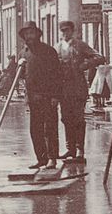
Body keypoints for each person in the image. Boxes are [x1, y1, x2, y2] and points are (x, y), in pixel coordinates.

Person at [57, 21, 105, 165]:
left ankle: (79, 150)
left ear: (73, 31)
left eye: (67, 30)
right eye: (62, 31)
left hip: (78, 88)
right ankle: (69, 148)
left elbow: (99, 57)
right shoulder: (57, 48)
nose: (65, 33)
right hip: (63, 89)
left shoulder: (80, 45)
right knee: (66, 118)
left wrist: (84, 65)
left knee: (78, 119)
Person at [18, 23, 62, 171]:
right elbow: (21, 75)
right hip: (32, 97)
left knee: (49, 129)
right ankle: (41, 159)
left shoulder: (49, 51)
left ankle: (52, 158)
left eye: (31, 33)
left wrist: (55, 96)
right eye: (26, 34)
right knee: (35, 129)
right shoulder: (23, 53)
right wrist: (19, 67)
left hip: (47, 96)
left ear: (37, 34)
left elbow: (57, 75)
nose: (29, 36)